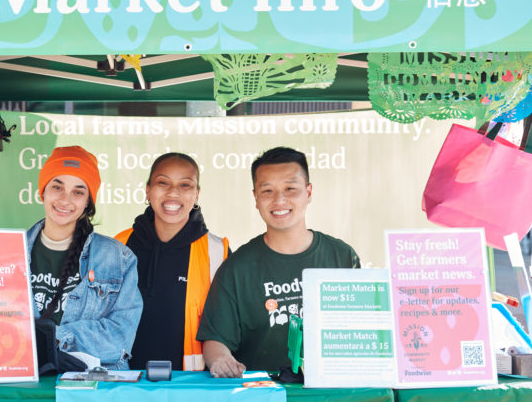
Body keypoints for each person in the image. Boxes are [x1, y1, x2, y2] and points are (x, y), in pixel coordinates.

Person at [197, 146, 360, 377]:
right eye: (267, 191)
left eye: (290, 188)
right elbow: (215, 341)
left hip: (330, 393)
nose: (279, 200)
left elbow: (363, 331)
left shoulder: (342, 257)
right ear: (255, 198)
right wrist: (221, 360)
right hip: (263, 394)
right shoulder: (237, 268)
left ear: (309, 192)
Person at [27, 145, 142, 369]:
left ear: (88, 201)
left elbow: (120, 337)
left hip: (92, 387)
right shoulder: (9, 252)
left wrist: (52, 339)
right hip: (23, 386)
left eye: (78, 191)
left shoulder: (119, 258)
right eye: (57, 187)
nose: (65, 199)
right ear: (42, 191)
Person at [115, 152, 229, 371]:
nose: (173, 192)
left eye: (185, 185)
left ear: (197, 194)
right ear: (148, 190)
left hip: (190, 386)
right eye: (163, 182)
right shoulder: (119, 247)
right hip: (127, 383)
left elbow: (224, 330)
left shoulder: (217, 252)